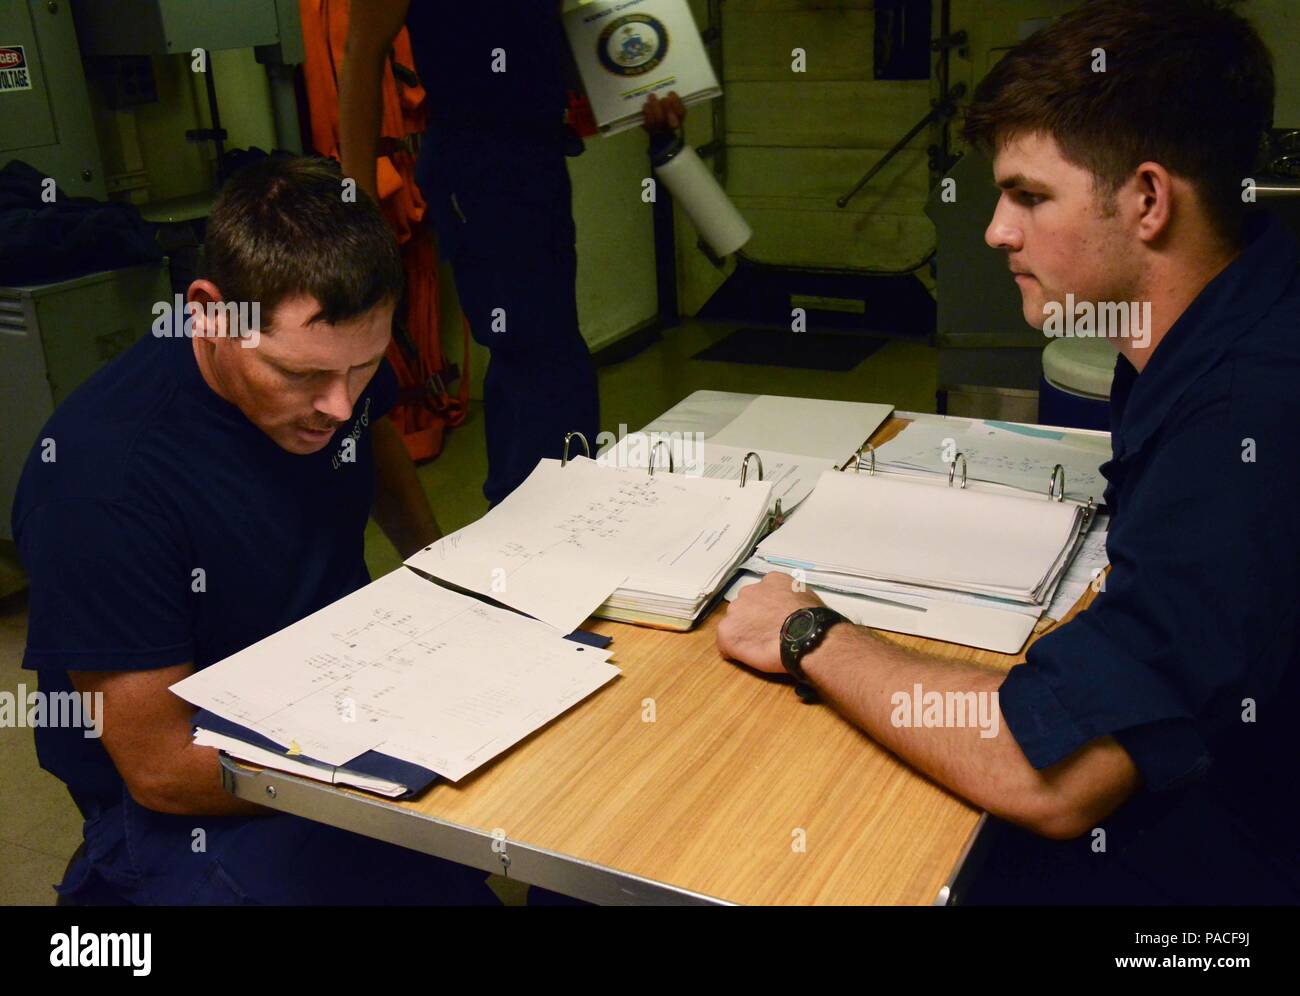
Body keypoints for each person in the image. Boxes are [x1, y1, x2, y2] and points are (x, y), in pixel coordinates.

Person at [717, 0, 1299, 904]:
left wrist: (806, 632)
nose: (996, 231)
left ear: (1148, 200)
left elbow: (1051, 777)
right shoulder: (1221, 313)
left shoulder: (1244, 413)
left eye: (1030, 195)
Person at [13, 156, 494, 904]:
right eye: (299, 377)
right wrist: (403, 765)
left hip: (340, 692)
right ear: (209, 311)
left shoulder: (337, 374)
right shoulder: (101, 481)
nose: (337, 407)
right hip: (200, 786)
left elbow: (374, 427)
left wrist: (433, 567)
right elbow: (162, 771)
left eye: (362, 368)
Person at [340, 0, 684, 505]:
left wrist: (641, 95)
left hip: (538, 158)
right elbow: (361, 52)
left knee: (553, 352)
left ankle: (568, 518)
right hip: (478, 165)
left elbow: (554, 38)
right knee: (534, 359)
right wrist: (360, 208)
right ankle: (528, 534)